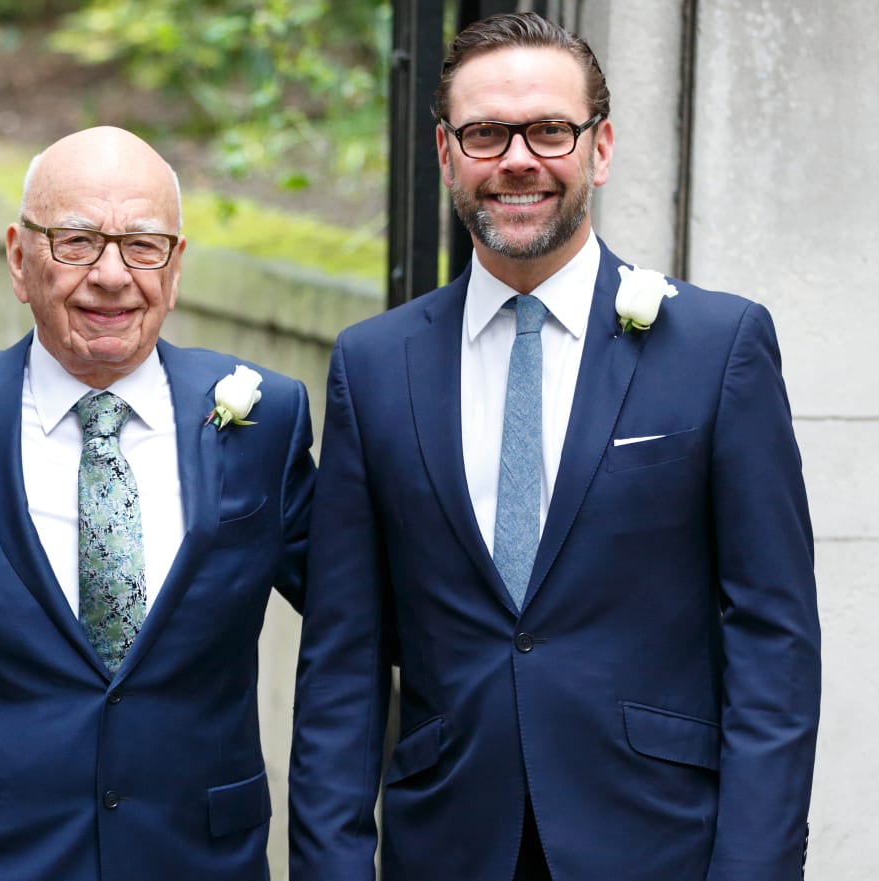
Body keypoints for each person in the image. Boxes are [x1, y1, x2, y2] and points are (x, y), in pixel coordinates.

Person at [288, 13, 820, 881]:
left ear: (599, 148)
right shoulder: (373, 366)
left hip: (659, 846)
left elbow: (774, 646)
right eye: (487, 133)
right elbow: (341, 664)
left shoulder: (719, 347)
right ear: (446, 152)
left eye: (549, 130)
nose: (518, 159)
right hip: (448, 845)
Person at [0, 125, 314, 880]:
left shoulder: (265, 421)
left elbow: (360, 628)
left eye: (142, 245)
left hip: (196, 860)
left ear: (175, 266)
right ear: (17, 257)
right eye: (75, 242)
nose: (111, 275)